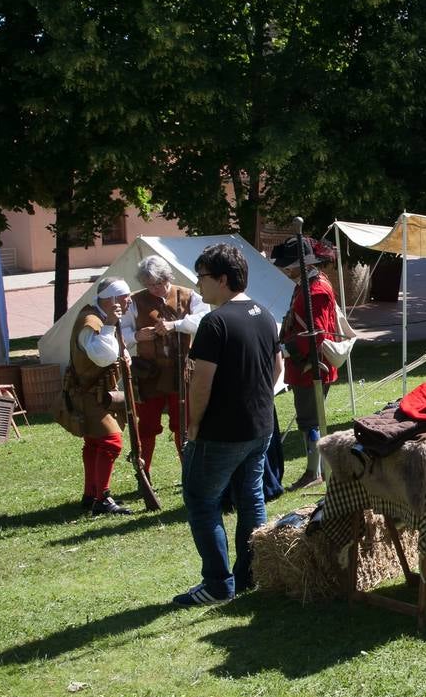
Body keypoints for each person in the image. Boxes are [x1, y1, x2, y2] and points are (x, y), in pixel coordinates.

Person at [174, 243, 282, 606]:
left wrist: (193, 426)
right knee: (250, 498)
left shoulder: (214, 322)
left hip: (222, 433)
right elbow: (277, 370)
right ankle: (249, 573)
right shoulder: (265, 315)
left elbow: (200, 382)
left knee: (202, 500)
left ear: (222, 279)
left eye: (202, 277)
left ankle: (219, 583)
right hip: (260, 427)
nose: (198, 285)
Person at [120, 256, 208, 479]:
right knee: (147, 425)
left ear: (167, 278)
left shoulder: (187, 295)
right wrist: (136, 336)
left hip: (181, 371)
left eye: (158, 283)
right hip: (148, 373)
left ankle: (189, 472)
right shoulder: (135, 301)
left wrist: (175, 325)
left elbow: (204, 319)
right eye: (149, 285)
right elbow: (121, 332)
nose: (154, 288)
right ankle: (144, 473)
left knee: (183, 425)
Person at [273, 235, 340, 491]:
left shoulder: (316, 290)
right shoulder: (305, 285)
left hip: (312, 365)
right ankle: (316, 469)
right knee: (307, 420)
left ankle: (314, 472)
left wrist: (284, 350)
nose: (285, 269)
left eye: (288, 265)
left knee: (310, 421)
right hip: (303, 365)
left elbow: (318, 335)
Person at [67, 278, 136, 514]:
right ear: (112, 299)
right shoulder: (92, 321)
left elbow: (113, 349)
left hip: (95, 391)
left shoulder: (101, 316)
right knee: (110, 442)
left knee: (95, 444)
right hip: (89, 392)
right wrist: (110, 325)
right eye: (125, 296)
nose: (130, 300)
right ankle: (102, 498)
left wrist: (123, 351)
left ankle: (91, 495)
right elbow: (102, 356)